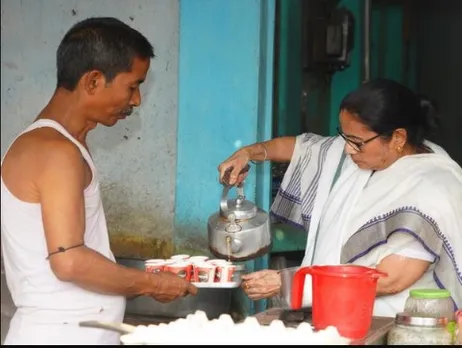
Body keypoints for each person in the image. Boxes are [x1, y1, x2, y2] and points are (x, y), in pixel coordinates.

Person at [1, 17, 197, 345]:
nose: (136, 100)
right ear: (93, 81)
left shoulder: (62, 145)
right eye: (132, 86)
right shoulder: (55, 151)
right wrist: (154, 284)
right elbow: (70, 261)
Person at [218, 78, 461, 317]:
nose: (346, 149)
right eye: (344, 137)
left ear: (398, 138)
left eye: (357, 142)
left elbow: (390, 280)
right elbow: (302, 148)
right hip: (336, 316)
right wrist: (248, 153)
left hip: (393, 323)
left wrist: (294, 283)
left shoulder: (433, 186)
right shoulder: (354, 156)